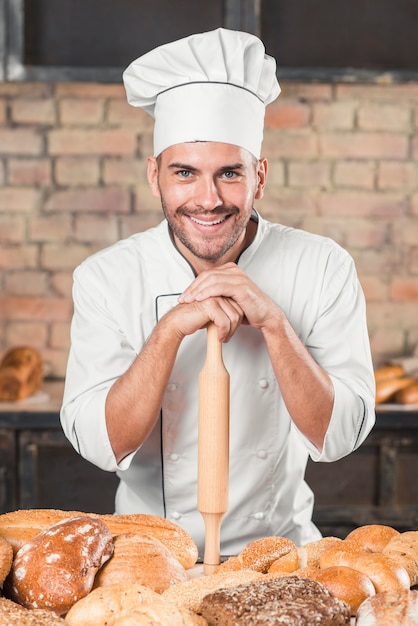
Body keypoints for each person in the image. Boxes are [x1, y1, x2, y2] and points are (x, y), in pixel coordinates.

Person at [60, 28, 376, 557]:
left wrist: (275, 324)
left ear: (260, 177)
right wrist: (168, 332)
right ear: (154, 174)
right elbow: (101, 446)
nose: (207, 199)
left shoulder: (322, 266)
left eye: (229, 173)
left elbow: (339, 438)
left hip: (280, 558)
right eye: (185, 173)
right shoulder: (107, 277)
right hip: (146, 560)